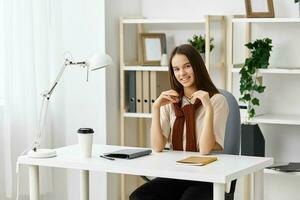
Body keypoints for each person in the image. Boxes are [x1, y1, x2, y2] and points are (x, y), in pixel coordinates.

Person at [130, 44, 229, 200]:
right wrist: (155, 108)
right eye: (176, 69)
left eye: (187, 66)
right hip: (175, 172)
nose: (182, 73)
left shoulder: (217, 100)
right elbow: (157, 146)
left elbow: (204, 150)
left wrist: (208, 108)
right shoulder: (170, 101)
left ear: (197, 66)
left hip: (206, 176)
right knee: (139, 197)